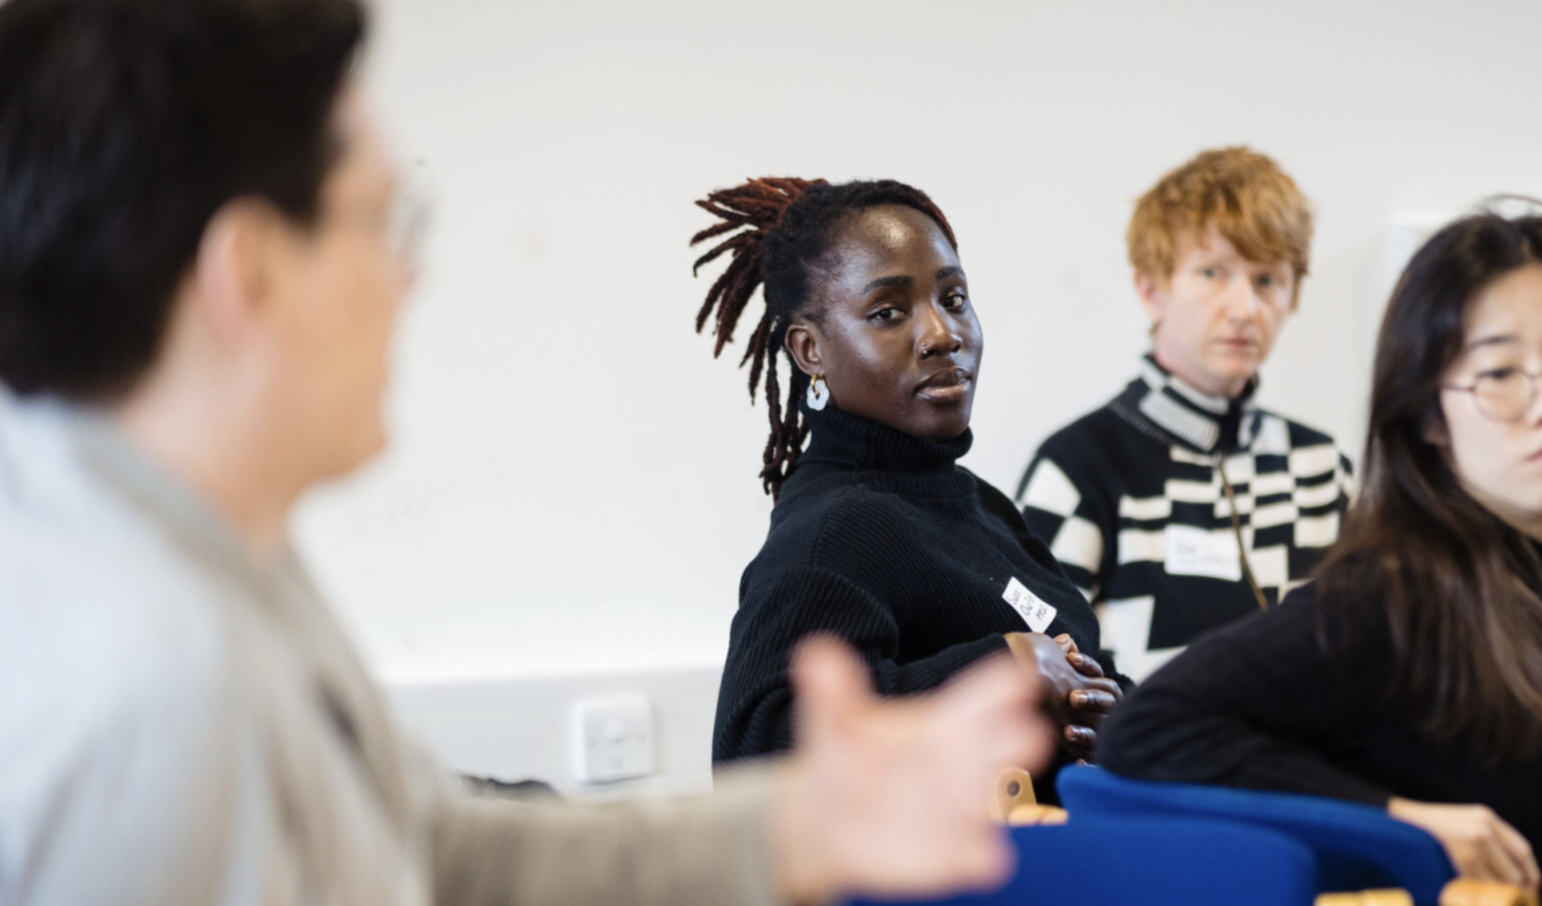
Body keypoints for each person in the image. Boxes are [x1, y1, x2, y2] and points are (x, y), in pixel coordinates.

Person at [0, 1, 1050, 903]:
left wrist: (793, 825)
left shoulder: (208, 553)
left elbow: (436, 850)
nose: (410, 277)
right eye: (386, 218)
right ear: (254, 273)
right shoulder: (148, 690)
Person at [1099, 206, 1542, 905]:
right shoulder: (1389, 601)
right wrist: (1402, 823)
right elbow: (1144, 731)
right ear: (1429, 415)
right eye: (1499, 372)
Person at [693, 178, 1126, 777]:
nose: (944, 335)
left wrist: (1114, 713)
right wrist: (1001, 667)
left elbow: (1071, 665)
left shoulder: (978, 505)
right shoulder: (838, 528)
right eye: (889, 313)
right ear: (809, 350)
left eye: (952, 299)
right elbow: (756, 749)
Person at [1016, 147, 1355, 679]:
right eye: (1213, 273)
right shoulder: (1077, 467)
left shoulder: (1323, 467)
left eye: (1268, 280)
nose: (1245, 308)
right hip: (1142, 761)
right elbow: (1041, 670)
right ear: (1152, 291)